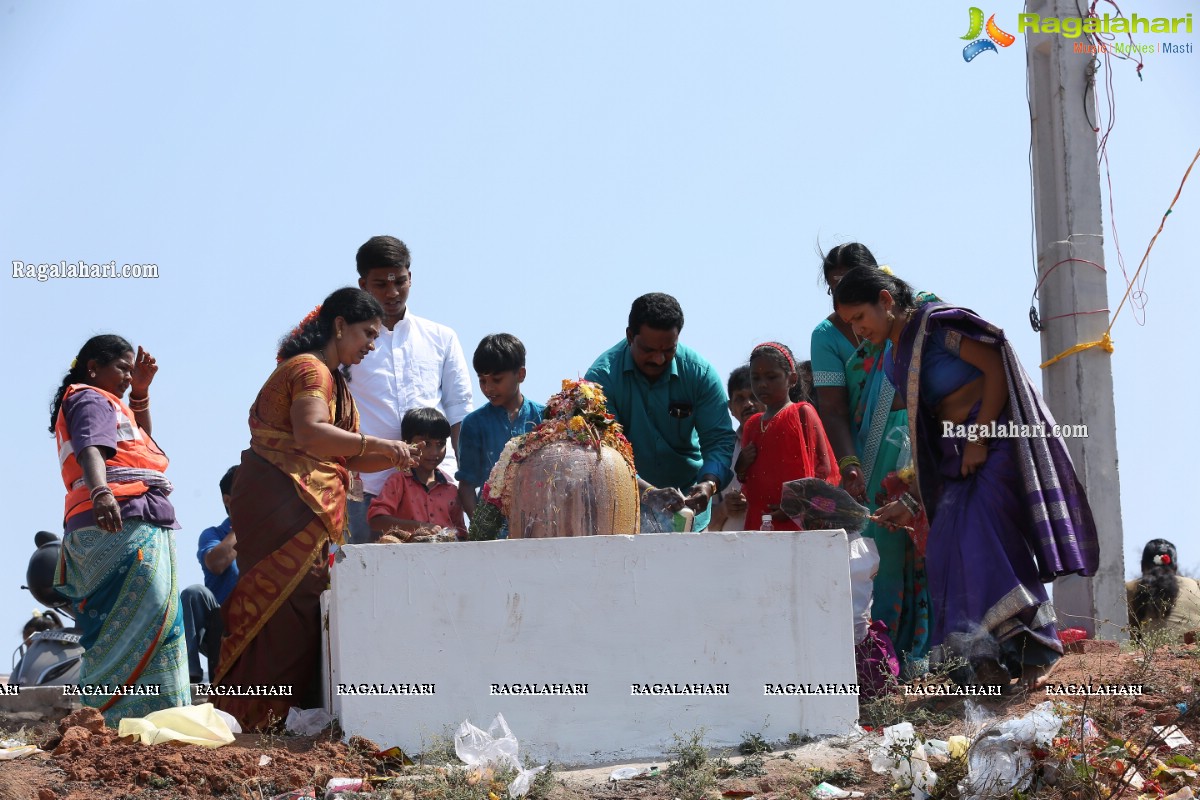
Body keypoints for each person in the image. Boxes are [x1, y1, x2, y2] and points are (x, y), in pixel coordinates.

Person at [834, 267, 1099, 690]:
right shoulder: (894, 353)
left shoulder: (937, 327)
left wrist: (978, 437)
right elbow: (923, 426)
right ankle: (984, 660)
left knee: (984, 535)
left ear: (885, 300)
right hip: (954, 455)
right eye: (849, 323)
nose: (858, 329)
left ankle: (1036, 649)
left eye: (859, 317)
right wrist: (913, 499)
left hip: (995, 440)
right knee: (943, 548)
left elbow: (996, 366)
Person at [213, 288, 417, 729]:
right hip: (282, 498)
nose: (371, 344)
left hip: (307, 502)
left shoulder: (336, 381)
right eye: (366, 333)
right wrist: (380, 445)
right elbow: (310, 434)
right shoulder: (310, 370)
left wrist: (397, 455)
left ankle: (284, 718)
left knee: (307, 609)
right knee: (279, 605)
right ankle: (250, 719)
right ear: (339, 326)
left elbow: (348, 454)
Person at [49, 335, 190, 722]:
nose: (129, 376)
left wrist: (141, 394)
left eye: (132, 369)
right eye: (123, 368)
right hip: (118, 515)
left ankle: (149, 720)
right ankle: (126, 721)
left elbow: (143, 442)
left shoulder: (106, 403)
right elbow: (91, 448)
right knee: (148, 613)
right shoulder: (90, 397)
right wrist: (101, 492)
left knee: (150, 616)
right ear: (94, 367)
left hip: (127, 513)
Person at [810, 243, 932, 672]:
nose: (844, 293)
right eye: (835, 288)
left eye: (852, 283)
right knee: (880, 551)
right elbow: (834, 407)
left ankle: (927, 652)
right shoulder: (826, 337)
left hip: (921, 437)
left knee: (927, 539)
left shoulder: (911, 318)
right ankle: (881, 659)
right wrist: (849, 465)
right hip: (869, 451)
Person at [346, 236, 474, 545]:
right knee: (370, 583)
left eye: (400, 282)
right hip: (370, 486)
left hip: (437, 483)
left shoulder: (441, 337)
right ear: (363, 284)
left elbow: (459, 411)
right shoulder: (349, 344)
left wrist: (467, 480)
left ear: (410, 278)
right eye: (380, 284)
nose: (392, 293)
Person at [584, 293, 736, 531]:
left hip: (689, 516)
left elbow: (719, 439)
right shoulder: (601, 380)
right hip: (624, 513)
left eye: (668, 350)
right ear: (629, 336)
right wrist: (648, 494)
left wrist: (708, 484)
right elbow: (602, 455)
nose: (658, 359)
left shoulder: (700, 374)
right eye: (648, 350)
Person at [734, 342, 839, 531]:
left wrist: (795, 507)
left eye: (771, 377)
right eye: (755, 378)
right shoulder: (751, 425)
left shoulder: (802, 413)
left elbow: (822, 470)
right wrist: (740, 468)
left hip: (797, 520)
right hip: (760, 518)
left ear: (792, 379)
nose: (762, 384)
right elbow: (748, 482)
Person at [456, 334, 545, 527]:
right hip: (494, 534)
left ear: (520, 374)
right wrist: (483, 531)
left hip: (539, 527)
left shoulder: (545, 419)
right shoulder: (474, 423)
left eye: (496, 380)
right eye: (482, 380)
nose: (488, 388)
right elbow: (466, 486)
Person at [180, 465, 239, 683]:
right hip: (219, 625)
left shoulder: (266, 532)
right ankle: (190, 671)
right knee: (193, 593)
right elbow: (217, 564)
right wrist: (241, 524)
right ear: (227, 500)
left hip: (258, 617)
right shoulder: (214, 534)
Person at [369, 408, 468, 539]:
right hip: (405, 557)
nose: (434, 452)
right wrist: (419, 526)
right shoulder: (399, 482)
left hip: (446, 557)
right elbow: (376, 520)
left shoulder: (451, 490)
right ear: (407, 443)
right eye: (426, 444)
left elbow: (460, 533)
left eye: (440, 444)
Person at [709, 365, 764, 532]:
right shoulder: (723, 451)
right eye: (740, 398)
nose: (748, 404)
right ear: (730, 408)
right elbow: (704, 522)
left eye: (753, 396)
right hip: (731, 552)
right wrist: (725, 508)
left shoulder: (785, 440)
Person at [1127, 539, 1200, 639]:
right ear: (1175, 568)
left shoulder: (1131, 588)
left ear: (1142, 567)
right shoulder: (1196, 585)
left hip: (1148, 652)